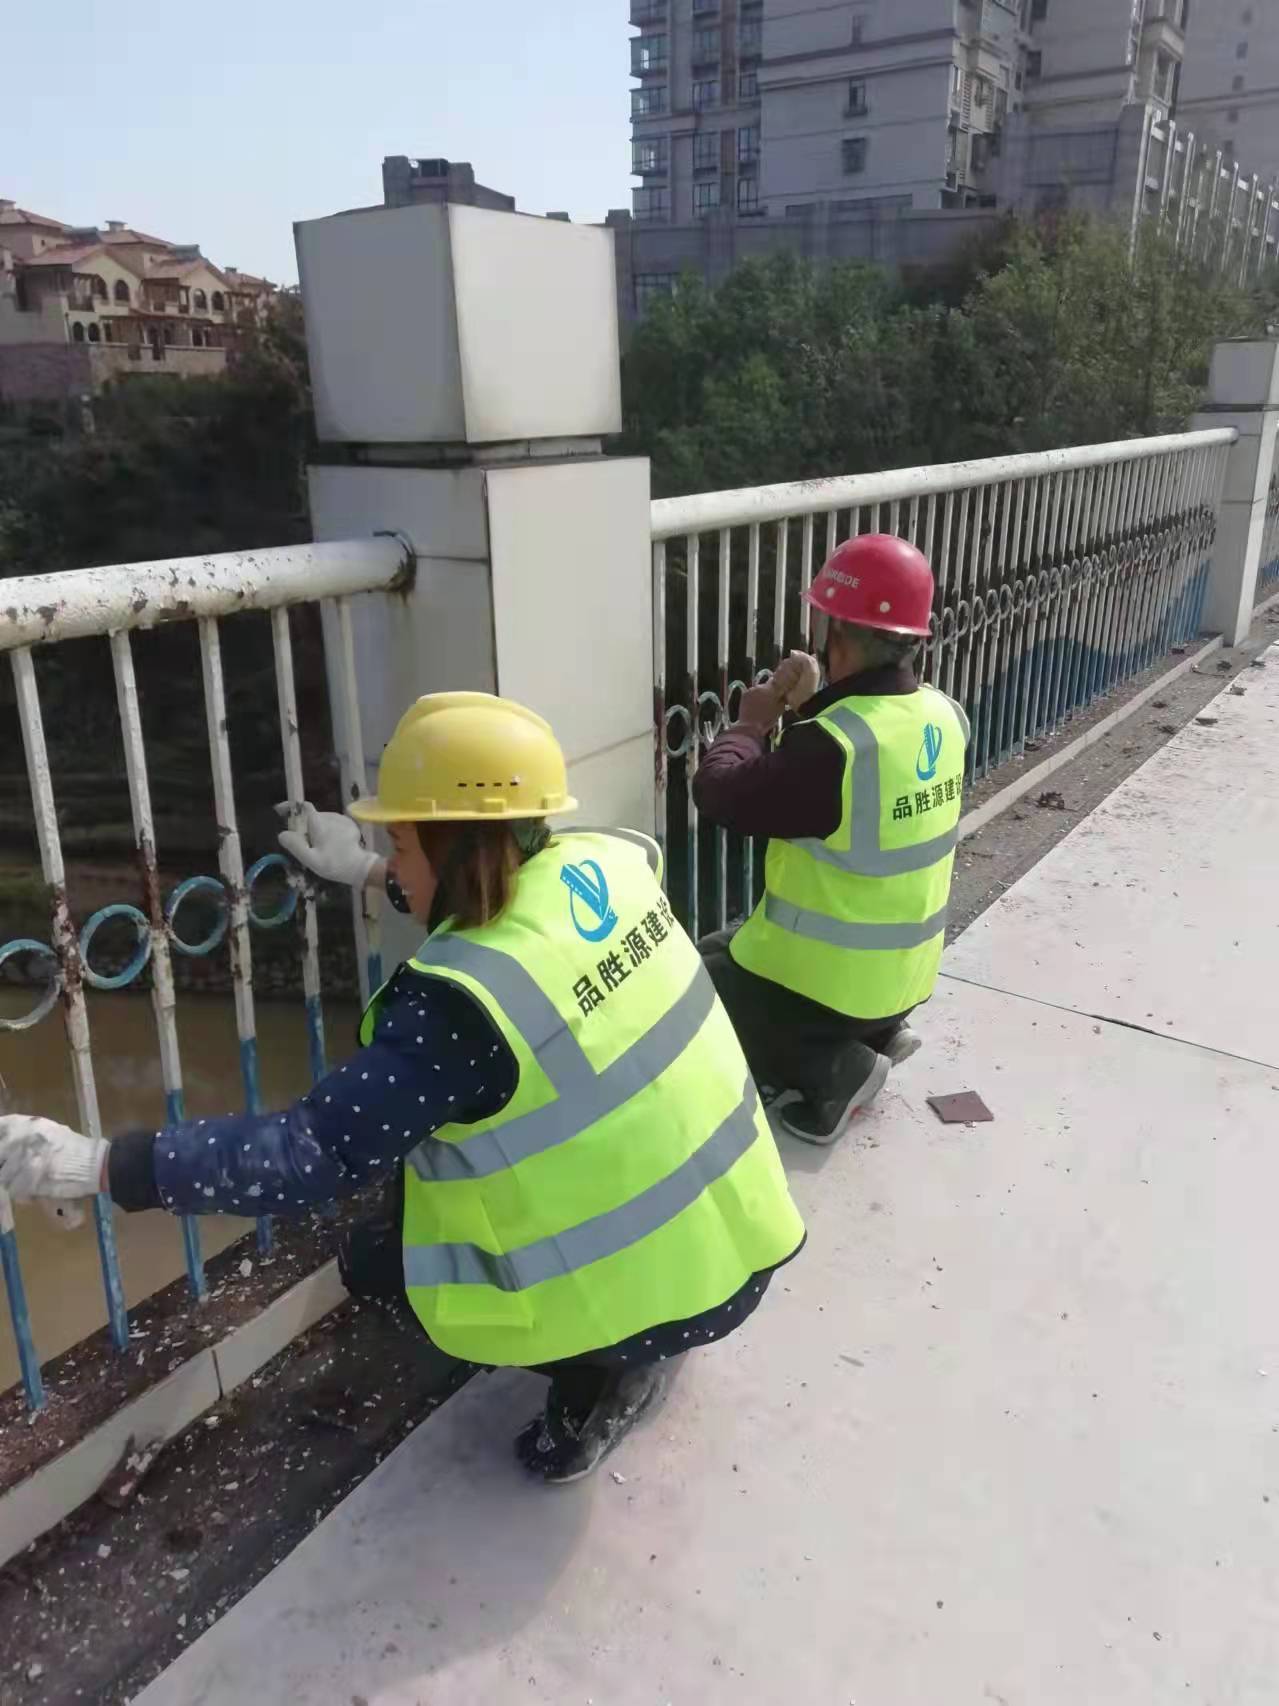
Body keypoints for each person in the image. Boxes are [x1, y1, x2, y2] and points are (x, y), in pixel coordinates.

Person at [0, 693, 805, 1484]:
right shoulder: (613, 865)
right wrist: (366, 870)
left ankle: (606, 1367)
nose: (398, 864)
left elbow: (303, 1156)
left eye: (403, 845)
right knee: (416, 1212)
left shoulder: (461, 1009)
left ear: (453, 847)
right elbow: (499, 897)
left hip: (671, 1292)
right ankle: (643, 1326)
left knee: (379, 1267)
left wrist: (97, 1164)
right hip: (741, 1233)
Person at [693, 535, 969, 1148]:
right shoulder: (943, 714)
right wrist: (815, 704)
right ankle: (878, 1032)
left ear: (836, 630)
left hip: (836, 990)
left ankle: (835, 1068)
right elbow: (838, 790)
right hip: (905, 977)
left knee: (695, 986)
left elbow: (719, 794)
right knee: (721, 946)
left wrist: (752, 724)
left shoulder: (832, 745)